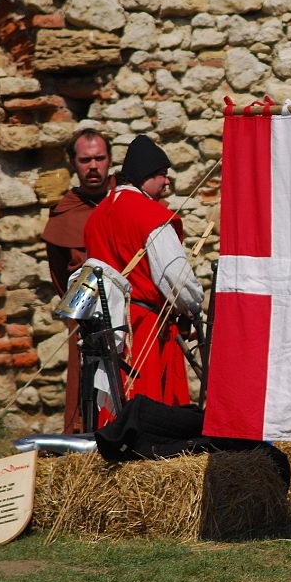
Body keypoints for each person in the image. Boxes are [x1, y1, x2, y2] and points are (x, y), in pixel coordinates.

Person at [84, 134, 203, 412]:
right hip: (144, 327)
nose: (167, 182)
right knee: (150, 409)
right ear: (144, 175)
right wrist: (194, 308)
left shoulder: (97, 216)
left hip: (108, 328)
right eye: (162, 174)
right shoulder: (150, 215)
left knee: (117, 404)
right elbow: (177, 279)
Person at [40, 128, 113, 433]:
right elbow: (60, 275)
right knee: (86, 384)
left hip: (132, 311)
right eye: (85, 160)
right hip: (85, 313)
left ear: (110, 160)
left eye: (99, 158)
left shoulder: (127, 200)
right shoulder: (65, 213)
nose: (93, 166)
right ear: (73, 163)